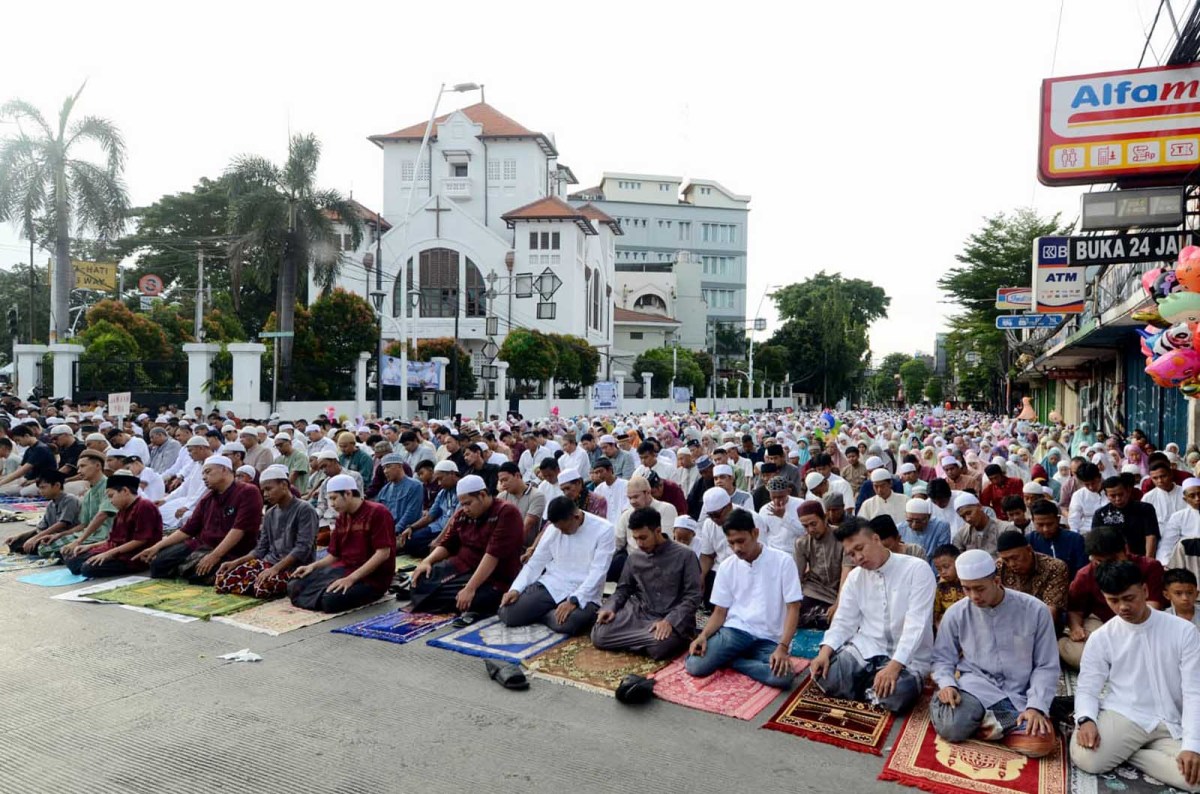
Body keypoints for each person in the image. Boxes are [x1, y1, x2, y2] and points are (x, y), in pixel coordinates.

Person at [1070, 561, 1200, 792]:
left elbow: (1194, 691)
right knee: (1087, 757)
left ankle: (1132, 753)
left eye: (1129, 598)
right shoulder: (1103, 637)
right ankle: (1129, 750)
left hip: (1172, 720)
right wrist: (1086, 719)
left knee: (1195, 778)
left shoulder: (1183, 631)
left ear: (1145, 590)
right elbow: (1088, 687)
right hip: (1126, 713)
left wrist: (1192, 746)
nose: (1122, 607)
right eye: (1113, 600)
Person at [930, 548, 1059, 756]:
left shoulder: (1035, 610)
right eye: (967, 589)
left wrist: (1035, 706)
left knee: (1039, 745)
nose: (974, 596)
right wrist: (947, 684)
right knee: (951, 727)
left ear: (997, 580)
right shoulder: (957, 613)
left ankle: (996, 722)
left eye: (979, 588)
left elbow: (1046, 665)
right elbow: (942, 658)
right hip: (977, 686)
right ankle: (1005, 725)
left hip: (1020, 691)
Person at [812, 517, 935, 713]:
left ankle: (867, 686)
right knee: (825, 675)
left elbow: (916, 624)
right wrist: (824, 652)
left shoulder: (916, 569)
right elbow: (843, 621)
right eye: (851, 554)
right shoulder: (855, 577)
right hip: (868, 647)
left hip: (908, 657)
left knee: (896, 695)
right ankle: (871, 688)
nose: (857, 558)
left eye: (860, 548)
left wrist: (894, 667)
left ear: (876, 539)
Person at [684, 509, 802, 688]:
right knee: (695, 665)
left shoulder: (783, 561)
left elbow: (794, 608)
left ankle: (734, 662)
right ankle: (737, 659)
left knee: (783, 677)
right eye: (731, 543)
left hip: (770, 639)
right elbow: (720, 611)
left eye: (741, 541)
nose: (737, 548)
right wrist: (703, 635)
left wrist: (783, 647)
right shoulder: (726, 567)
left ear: (755, 534)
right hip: (735, 633)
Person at [407, 474, 525, 620]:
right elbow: (448, 543)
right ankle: (449, 599)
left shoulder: (506, 512)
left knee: (478, 599)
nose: (465, 509)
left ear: (482, 495)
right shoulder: (463, 514)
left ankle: (456, 600)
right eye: (462, 504)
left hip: (493, 575)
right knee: (419, 580)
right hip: (462, 566)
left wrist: (470, 588)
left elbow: (492, 555)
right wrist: (427, 561)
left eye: (468, 503)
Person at [592, 505, 703, 659]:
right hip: (640, 613)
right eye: (635, 538)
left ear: (657, 531)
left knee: (658, 647)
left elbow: (693, 596)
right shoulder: (634, 557)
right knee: (600, 635)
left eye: (643, 538)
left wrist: (669, 621)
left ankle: (641, 641)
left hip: (672, 616)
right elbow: (623, 589)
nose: (639, 543)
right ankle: (642, 641)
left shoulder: (686, 555)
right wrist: (610, 607)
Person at [133, 455, 263, 585]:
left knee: (199, 575)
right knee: (158, 564)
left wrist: (214, 556)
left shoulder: (248, 491)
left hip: (232, 550)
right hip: (203, 545)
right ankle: (186, 567)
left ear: (224, 469)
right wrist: (156, 547)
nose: (204, 477)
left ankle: (189, 569)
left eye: (208, 472)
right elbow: (187, 530)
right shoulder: (207, 499)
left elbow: (239, 530)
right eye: (203, 474)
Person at [498, 495, 613, 636]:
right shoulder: (554, 529)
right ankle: (547, 613)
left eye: (564, 529)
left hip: (584, 591)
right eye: (558, 529)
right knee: (508, 613)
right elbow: (536, 562)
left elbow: (598, 572)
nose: (562, 532)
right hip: (554, 584)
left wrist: (574, 600)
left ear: (576, 517)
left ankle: (540, 613)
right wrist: (516, 589)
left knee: (571, 623)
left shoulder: (604, 529)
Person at [1059, 526, 1165, 669]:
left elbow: (1153, 606)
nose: (1109, 565)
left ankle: (1119, 661)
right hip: (1101, 623)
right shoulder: (1085, 575)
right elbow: (1075, 610)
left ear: (1125, 550)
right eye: (1100, 562)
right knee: (1080, 655)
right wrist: (1076, 628)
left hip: (1142, 621)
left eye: (1113, 559)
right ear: (1092, 559)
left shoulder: (1150, 567)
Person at [287, 473, 395, 612]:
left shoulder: (378, 512)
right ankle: (320, 594)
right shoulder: (342, 518)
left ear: (348, 493)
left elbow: (383, 553)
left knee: (330, 600)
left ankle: (323, 595)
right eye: (329, 499)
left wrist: (351, 579)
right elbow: (334, 555)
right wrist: (312, 567)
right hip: (344, 569)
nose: (331, 504)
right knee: (295, 585)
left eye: (334, 498)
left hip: (371, 578)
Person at [215, 465, 318, 598]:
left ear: (284, 485)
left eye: (269, 489)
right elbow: (261, 549)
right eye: (263, 491)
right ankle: (252, 583)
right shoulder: (270, 513)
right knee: (224, 579)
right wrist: (236, 562)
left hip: (295, 566)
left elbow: (302, 548)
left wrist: (275, 569)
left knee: (264, 586)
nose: (265, 494)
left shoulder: (304, 509)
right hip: (269, 562)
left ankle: (253, 584)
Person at [63, 470, 163, 578]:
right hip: (116, 551)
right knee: (72, 559)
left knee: (87, 568)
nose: (110, 501)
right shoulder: (121, 510)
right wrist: (89, 546)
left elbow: (140, 540)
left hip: (134, 555)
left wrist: (108, 554)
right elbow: (113, 540)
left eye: (111, 496)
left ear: (125, 491)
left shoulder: (144, 506)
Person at [49, 451, 116, 560]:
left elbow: (102, 515)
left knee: (52, 550)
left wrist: (78, 541)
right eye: (78, 467)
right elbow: (84, 524)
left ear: (98, 466)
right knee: (45, 546)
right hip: (88, 534)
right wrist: (61, 535)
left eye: (83, 466)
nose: (79, 471)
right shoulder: (89, 492)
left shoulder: (109, 487)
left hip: (104, 535)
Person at [611, 476, 678, 582]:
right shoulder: (627, 515)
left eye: (636, 497)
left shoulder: (666, 509)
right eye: (629, 498)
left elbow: (666, 542)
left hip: (660, 564)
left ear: (648, 492)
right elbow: (616, 544)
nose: (632, 501)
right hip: (632, 564)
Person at [995, 529, 1068, 617]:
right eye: (1006, 560)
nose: (1011, 564)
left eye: (1015, 558)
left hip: (1042, 622)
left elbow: (1050, 611)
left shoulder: (1054, 567)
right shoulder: (999, 566)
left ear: (1029, 549)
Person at [794, 501, 844, 629]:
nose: (810, 529)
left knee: (839, 620)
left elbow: (847, 573)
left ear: (825, 518)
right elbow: (796, 578)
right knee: (794, 616)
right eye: (805, 526)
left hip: (840, 592)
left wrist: (838, 604)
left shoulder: (842, 537)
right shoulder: (802, 543)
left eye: (813, 524)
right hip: (814, 591)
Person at [4, 472, 81, 554]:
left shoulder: (70, 499)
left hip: (67, 535)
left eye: (43, 488)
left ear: (57, 485)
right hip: (51, 535)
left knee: (39, 547)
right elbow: (41, 528)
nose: (40, 491)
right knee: (15, 543)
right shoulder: (51, 505)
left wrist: (35, 538)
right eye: (39, 488)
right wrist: (19, 537)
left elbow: (62, 523)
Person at [398, 460, 459, 558]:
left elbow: (453, 520)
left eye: (440, 479)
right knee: (410, 541)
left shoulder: (462, 491)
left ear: (452, 474)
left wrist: (438, 540)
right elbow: (430, 516)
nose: (439, 483)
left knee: (434, 546)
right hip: (437, 527)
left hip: (452, 531)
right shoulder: (443, 492)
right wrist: (411, 527)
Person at [1093, 475, 1160, 559]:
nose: (1117, 499)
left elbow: (1151, 535)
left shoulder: (1145, 509)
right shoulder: (1101, 514)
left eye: (1120, 494)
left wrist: (1148, 560)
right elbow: (1097, 541)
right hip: (1113, 559)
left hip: (1140, 556)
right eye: (1113, 496)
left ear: (1128, 491)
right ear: (1106, 495)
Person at [1028, 499, 1089, 579]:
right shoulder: (1029, 541)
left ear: (1058, 520)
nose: (1045, 529)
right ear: (1033, 521)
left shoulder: (1075, 540)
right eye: (1040, 525)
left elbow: (1082, 570)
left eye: (1050, 524)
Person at [373, 452, 423, 547]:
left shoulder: (415, 486)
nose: (385, 471)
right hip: (387, 532)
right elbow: (378, 513)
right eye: (383, 468)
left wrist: (394, 531)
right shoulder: (385, 489)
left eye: (388, 467)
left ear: (399, 466)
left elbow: (411, 513)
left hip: (406, 531)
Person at [496, 461, 545, 549]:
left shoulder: (536, 495)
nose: (503, 484)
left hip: (527, 547)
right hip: (505, 545)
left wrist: (509, 547)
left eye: (506, 479)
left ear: (517, 475)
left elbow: (527, 526)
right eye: (501, 481)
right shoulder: (502, 496)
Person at [0, 423, 58, 496]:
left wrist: (1, 482)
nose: (18, 443)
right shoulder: (29, 450)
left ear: (26, 436)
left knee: (23, 492)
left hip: (45, 481)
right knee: (6, 488)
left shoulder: (41, 449)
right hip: (30, 480)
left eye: (18, 440)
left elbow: (22, 470)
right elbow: (20, 469)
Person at [758, 475, 805, 553]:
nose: (776, 500)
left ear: (788, 491)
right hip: (773, 553)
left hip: (795, 552)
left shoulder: (800, 504)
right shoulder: (764, 510)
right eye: (773, 497)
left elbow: (804, 532)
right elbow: (762, 537)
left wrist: (784, 516)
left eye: (780, 497)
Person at [897, 498, 951, 564]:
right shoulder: (899, 529)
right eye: (910, 521)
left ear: (929, 517)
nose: (914, 525)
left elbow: (942, 555)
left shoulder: (941, 527)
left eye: (918, 521)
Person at [1160, 478, 1200, 566]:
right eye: (1192, 496)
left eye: (1199, 494)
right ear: (1185, 499)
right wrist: (1165, 563)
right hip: (1190, 559)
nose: (1197, 498)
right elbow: (1167, 543)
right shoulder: (1178, 517)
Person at [932, 544, 966, 628]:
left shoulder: (967, 584)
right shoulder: (939, 587)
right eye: (939, 569)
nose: (943, 572)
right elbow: (936, 614)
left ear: (958, 562)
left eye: (946, 567)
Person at [1068, 462, 1106, 534]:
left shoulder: (1110, 492)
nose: (1091, 487)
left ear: (1099, 477)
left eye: (1093, 483)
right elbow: (1073, 520)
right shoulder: (1078, 495)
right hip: (1087, 532)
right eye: (1087, 484)